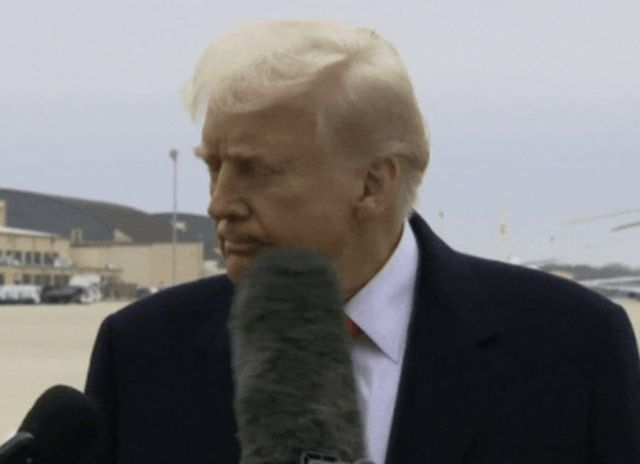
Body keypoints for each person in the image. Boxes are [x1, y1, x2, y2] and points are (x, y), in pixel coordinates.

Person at [85, 20, 640, 463]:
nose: (218, 203)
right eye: (214, 168)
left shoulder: (572, 349)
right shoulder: (141, 355)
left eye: (256, 170)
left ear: (372, 184)